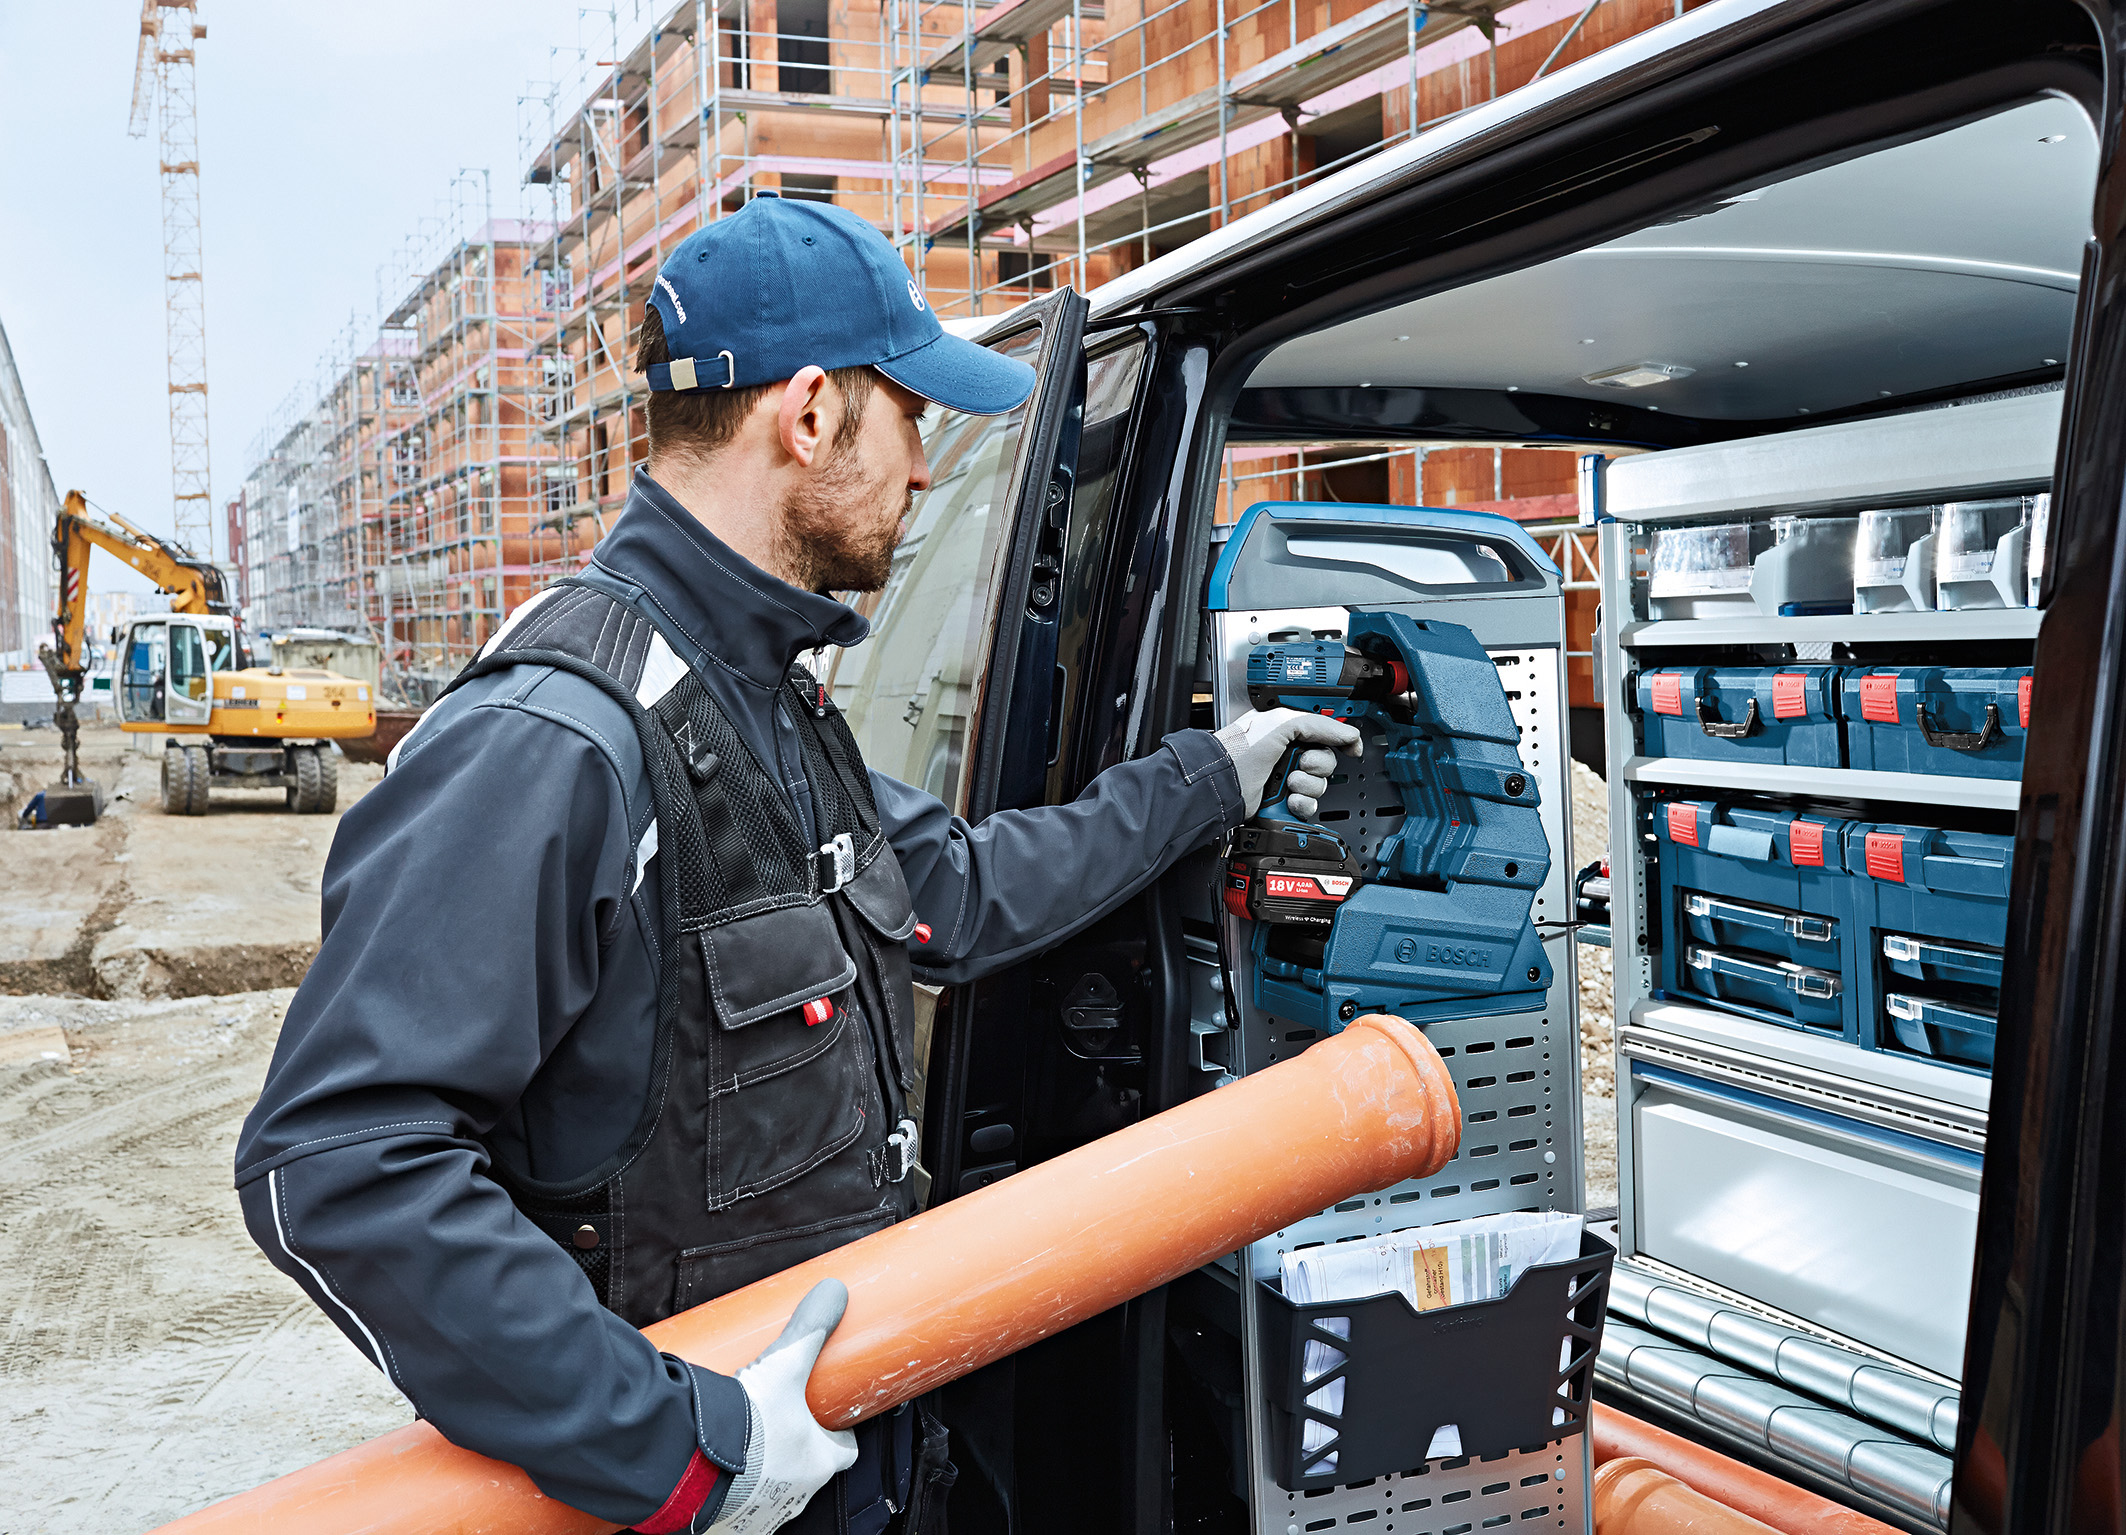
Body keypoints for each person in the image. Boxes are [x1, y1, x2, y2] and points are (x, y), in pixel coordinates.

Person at [234, 195, 1358, 1535]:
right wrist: (679, 1452)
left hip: (852, 1468)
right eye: (913, 423)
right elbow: (340, 1163)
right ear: (811, 415)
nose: (925, 472)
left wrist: (1205, 782)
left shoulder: (762, 697)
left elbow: (954, 893)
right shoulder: (555, 742)